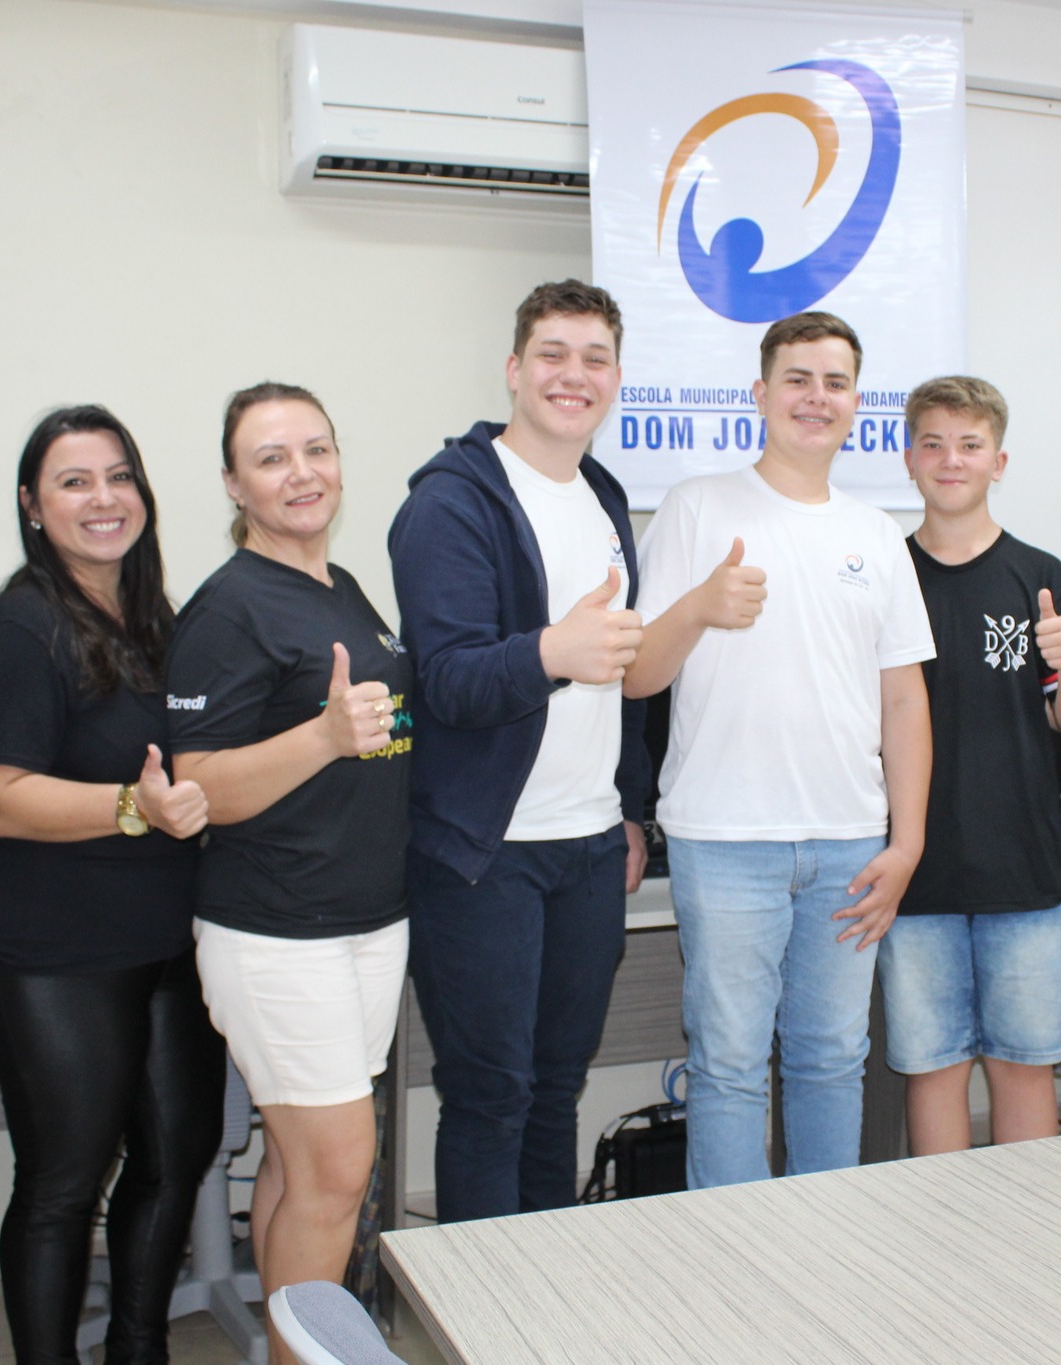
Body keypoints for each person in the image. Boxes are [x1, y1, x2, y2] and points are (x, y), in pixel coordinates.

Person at [626, 311, 934, 1189]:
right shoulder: (696, 506)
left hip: (849, 843)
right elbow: (639, 676)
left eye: (835, 382)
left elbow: (904, 698)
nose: (816, 397)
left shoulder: (878, 533)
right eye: (797, 378)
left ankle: (821, 1250)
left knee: (833, 1058)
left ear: (857, 404)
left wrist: (907, 842)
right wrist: (698, 607)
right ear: (760, 394)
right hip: (725, 840)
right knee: (727, 1064)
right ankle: (733, 1257)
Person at [0, 406, 222, 1365]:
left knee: (177, 1155)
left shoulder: (156, 622)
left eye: (119, 476)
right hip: (48, 950)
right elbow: (2, 799)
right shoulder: (16, 631)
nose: (104, 499)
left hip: (163, 940)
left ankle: (138, 1347)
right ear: (32, 505)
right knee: (63, 1182)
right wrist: (138, 807)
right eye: (74, 481)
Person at [387, 280, 650, 1222]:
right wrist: (550, 652)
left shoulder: (604, 496)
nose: (574, 375)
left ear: (615, 377)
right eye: (553, 354)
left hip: (588, 848)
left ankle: (548, 1288)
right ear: (513, 368)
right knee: (489, 1099)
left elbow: (622, 671)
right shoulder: (450, 503)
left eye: (595, 358)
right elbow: (448, 680)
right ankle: (479, 1300)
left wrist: (629, 808)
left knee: (554, 1093)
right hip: (484, 855)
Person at [164, 383, 410, 1360]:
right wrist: (321, 736)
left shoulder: (339, 586)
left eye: (316, 449)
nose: (301, 473)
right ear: (234, 484)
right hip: (278, 931)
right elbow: (199, 787)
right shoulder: (228, 609)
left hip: (364, 920)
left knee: (297, 1169)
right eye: (271, 458)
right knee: (337, 1172)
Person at [882, 376, 1061, 1155]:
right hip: (916, 873)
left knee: (1024, 1064)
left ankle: (1027, 1222)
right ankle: (942, 1226)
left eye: (970, 444)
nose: (951, 459)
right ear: (909, 458)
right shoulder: (883, 573)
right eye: (933, 443)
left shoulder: (1040, 575)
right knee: (932, 1068)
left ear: (998, 461)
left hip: (1022, 867)